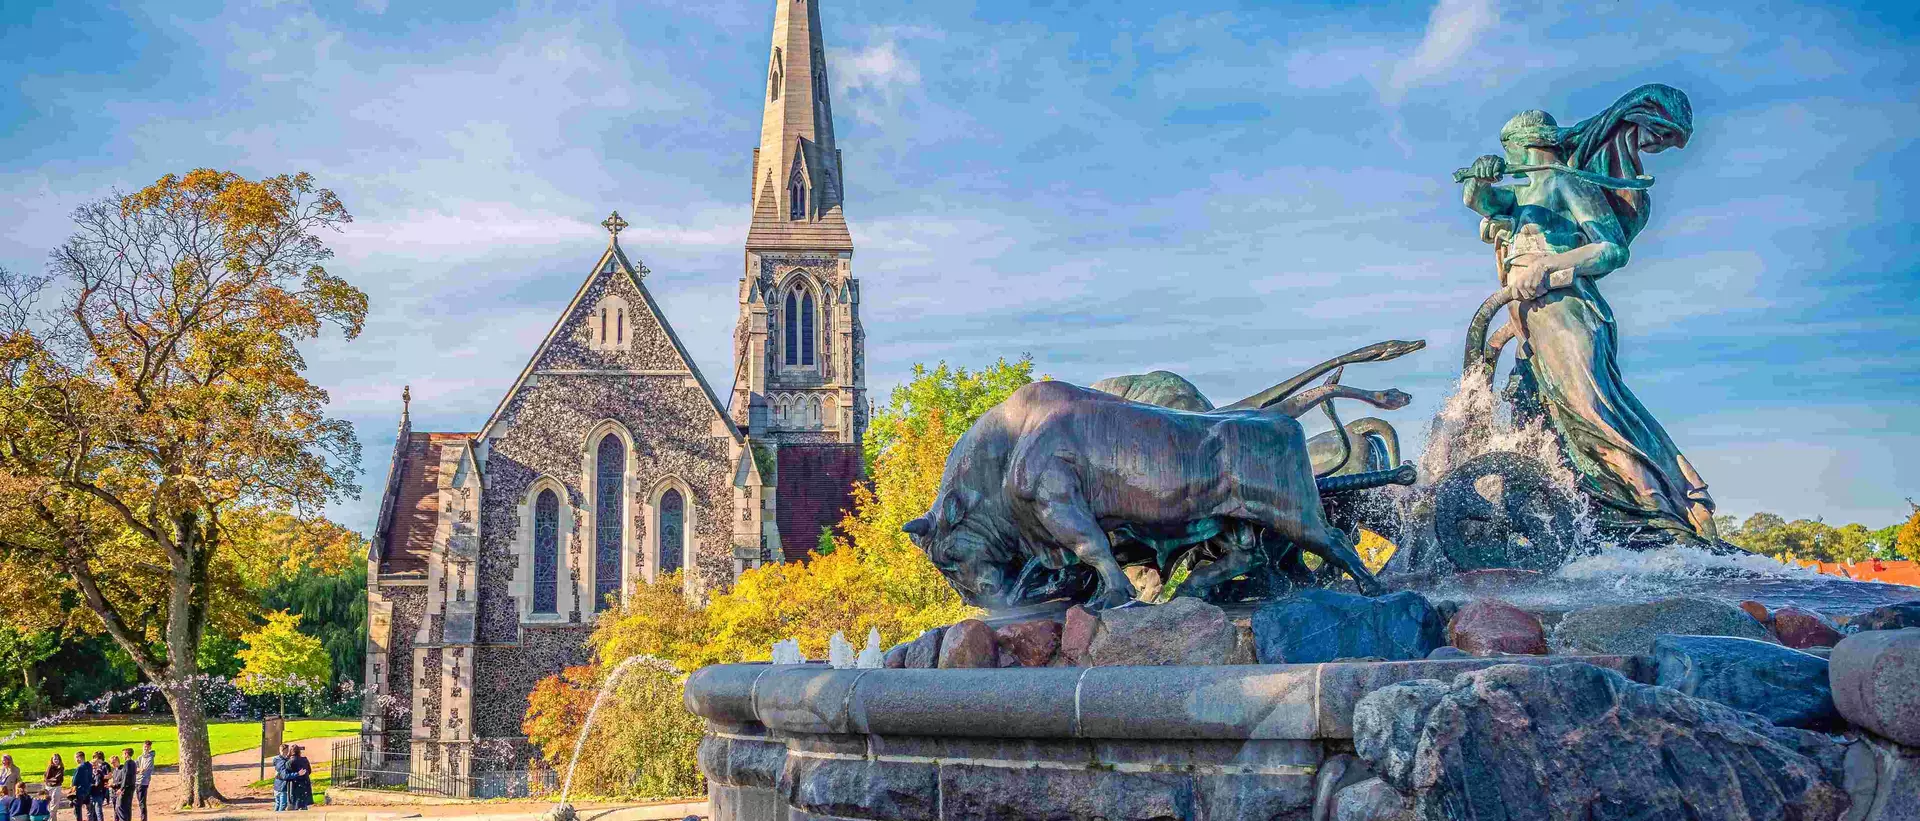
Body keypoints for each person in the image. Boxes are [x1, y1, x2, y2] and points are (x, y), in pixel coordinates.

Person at [1459, 84, 1716, 546]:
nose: (1507, 157)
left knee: (1590, 411)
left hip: (1567, 311)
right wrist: (1480, 180)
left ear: (1526, 146)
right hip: (1530, 319)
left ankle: (1661, 510)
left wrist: (1547, 265)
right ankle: (1592, 520)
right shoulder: (1524, 196)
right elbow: (1482, 203)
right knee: (1539, 413)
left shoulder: (1565, 183)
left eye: (1508, 149)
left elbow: (1611, 248)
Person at [286, 746, 312, 811]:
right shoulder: (305, 760)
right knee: (303, 805)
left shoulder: (289, 762)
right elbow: (309, 771)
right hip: (304, 784)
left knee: (293, 805)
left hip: (294, 785)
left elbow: (287, 775)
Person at [68, 754, 91, 821]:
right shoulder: (89, 766)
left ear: (79, 758)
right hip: (88, 790)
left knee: (77, 811)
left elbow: (74, 781)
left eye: (76, 758)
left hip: (80, 791)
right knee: (89, 810)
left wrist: (71, 790)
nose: (76, 760)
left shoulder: (79, 768)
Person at [130, 745, 150, 821]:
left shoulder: (149, 758)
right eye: (144, 747)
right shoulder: (140, 757)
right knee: (140, 801)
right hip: (138, 781)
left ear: (150, 748)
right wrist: (138, 770)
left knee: (142, 802)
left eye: (147, 747)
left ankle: (144, 818)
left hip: (143, 782)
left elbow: (144, 769)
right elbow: (135, 768)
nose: (145, 749)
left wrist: (139, 770)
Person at [111, 753, 133, 821]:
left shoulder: (122, 769)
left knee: (122, 810)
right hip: (114, 792)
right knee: (116, 810)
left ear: (118, 761)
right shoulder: (115, 770)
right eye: (111, 763)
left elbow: (124, 781)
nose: (112, 764)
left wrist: (114, 784)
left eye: (114, 762)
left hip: (121, 792)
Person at [85, 755, 105, 821]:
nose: (94, 767)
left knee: (98, 811)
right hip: (90, 795)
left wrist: (90, 785)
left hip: (97, 795)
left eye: (95, 765)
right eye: (92, 766)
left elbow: (97, 784)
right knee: (90, 812)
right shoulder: (89, 773)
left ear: (98, 765)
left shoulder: (99, 773)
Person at [270, 745, 289, 813]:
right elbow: (284, 775)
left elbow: (276, 769)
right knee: (283, 805)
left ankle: (274, 817)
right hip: (282, 785)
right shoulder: (285, 761)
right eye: (287, 750)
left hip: (276, 785)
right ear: (284, 750)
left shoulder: (276, 759)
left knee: (277, 803)